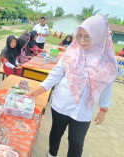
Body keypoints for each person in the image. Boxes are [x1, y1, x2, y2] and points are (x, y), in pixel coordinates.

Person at [30, 14, 117, 157]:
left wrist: (103, 108)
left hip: (83, 109)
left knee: (76, 142)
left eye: (87, 37)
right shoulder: (72, 52)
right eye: (79, 36)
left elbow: (107, 85)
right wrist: (40, 89)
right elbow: (57, 73)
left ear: (98, 35)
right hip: (61, 103)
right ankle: (52, 154)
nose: (81, 41)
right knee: (56, 133)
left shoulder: (106, 60)